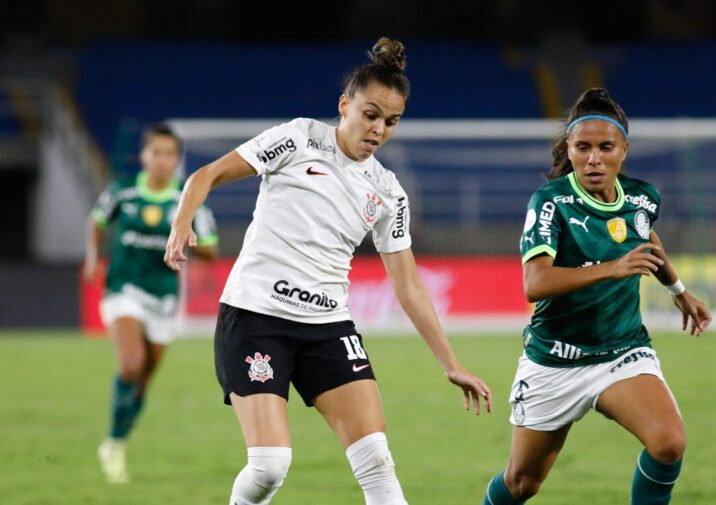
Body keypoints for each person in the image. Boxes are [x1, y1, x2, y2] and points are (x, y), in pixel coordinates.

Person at [163, 37, 492, 505]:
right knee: (269, 466)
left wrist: (451, 364)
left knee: (378, 462)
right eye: (371, 114)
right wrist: (182, 222)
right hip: (256, 318)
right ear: (345, 105)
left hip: (326, 327)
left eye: (392, 121)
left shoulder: (389, 193)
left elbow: (409, 285)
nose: (379, 129)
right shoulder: (298, 139)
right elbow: (206, 175)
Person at [480, 88, 712, 505]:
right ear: (568, 149)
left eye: (606, 147)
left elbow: (646, 237)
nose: (594, 158)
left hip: (621, 352)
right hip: (556, 360)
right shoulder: (552, 202)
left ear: (624, 149)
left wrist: (677, 289)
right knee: (522, 483)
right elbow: (534, 283)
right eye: (582, 147)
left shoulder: (642, 197)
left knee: (668, 442)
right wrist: (612, 269)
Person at [84, 124, 219, 483]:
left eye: (169, 154)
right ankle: (114, 444)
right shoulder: (122, 192)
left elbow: (210, 246)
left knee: (143, 380)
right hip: (124, 289)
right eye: (155, 153)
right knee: (131, 365)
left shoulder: (185, 200)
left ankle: (115, 442)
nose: (162, 161)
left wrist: (189, 238)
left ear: (177, 160)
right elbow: (97, 221)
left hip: (163, 297)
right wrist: (92, 258)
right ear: (144, 156)